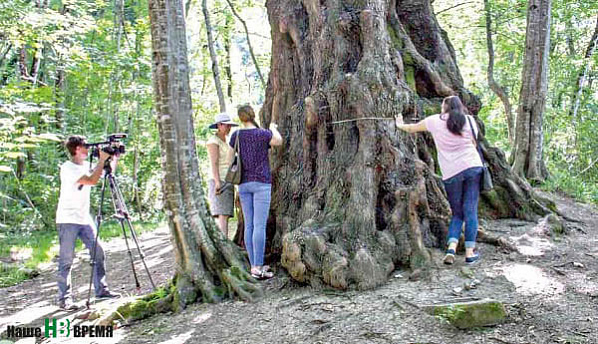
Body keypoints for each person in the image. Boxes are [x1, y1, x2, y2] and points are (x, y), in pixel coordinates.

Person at [395, 96, 483, 265]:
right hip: (473, 167)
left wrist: (399, 124)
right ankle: (470, 253)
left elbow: (412, 128)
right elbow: (473, 143)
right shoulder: (469, 120)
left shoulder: (434, 121)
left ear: (445, 107)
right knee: (470, 210)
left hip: (451, 172)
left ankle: (451, 249)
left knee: (457, 213)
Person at [55, 135, 121, 310]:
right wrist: (101, 159)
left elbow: (104, 173)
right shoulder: (68, 168)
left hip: (84, 218)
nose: (88, 149)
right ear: (76, 149)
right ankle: (64, 299)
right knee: (66, 260)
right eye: (85, 146)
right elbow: (92, 180)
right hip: (67, 219)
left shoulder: (85, 165)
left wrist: (112, 159)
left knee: (98, 252)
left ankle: (101, 290)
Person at [229, 105, 282, 279]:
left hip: (243, 184)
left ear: (240, 118)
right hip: (261, 183)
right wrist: (273, 128)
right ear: (252, 116)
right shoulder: (263, 134)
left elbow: (231, 160)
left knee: (249, 225)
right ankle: (258, 267)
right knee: (259, 226)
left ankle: (253, 266)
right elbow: (278, 141)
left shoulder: (236, 135)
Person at [206, 113, 239, 237]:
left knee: (226, 214)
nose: (229, 128)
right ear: (219, 126)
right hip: (219, 179)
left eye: (230, 126)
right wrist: (217, 182)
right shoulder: (213, 141)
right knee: (222, 215)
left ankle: (225, 240)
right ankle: (224, 240)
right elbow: (214, 163)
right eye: (226, 125)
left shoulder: (227, 140)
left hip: (228, 179)